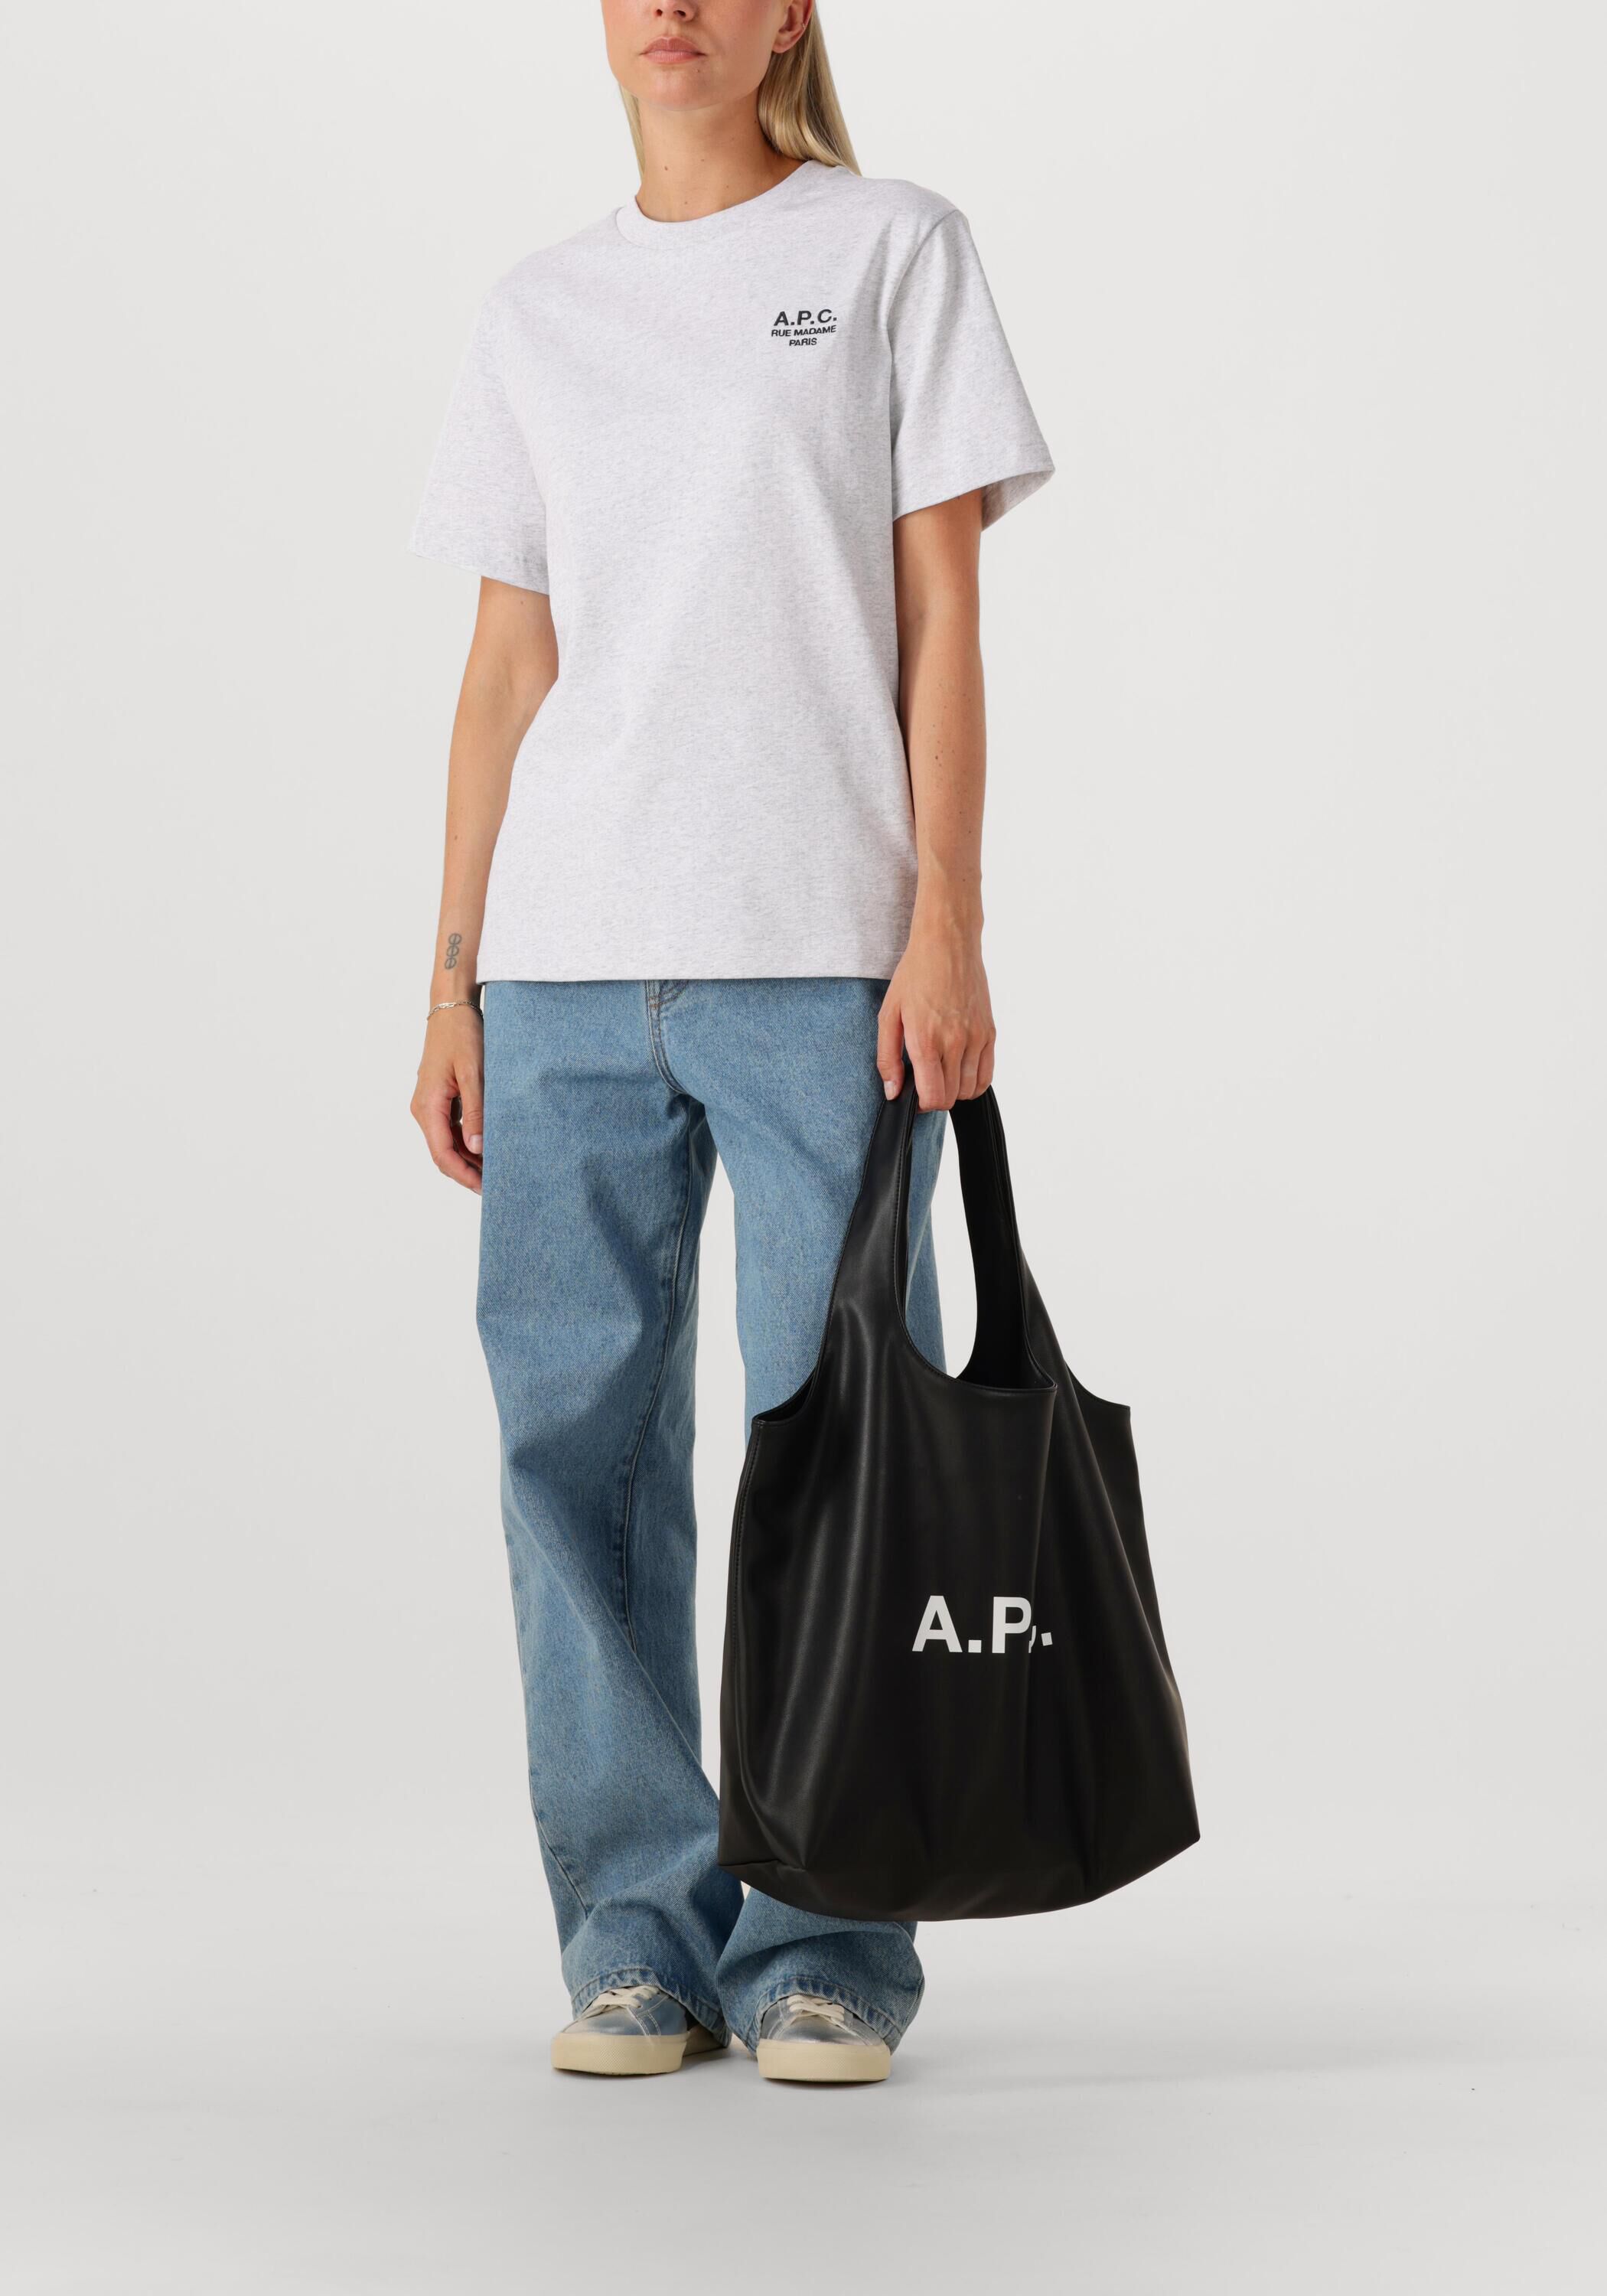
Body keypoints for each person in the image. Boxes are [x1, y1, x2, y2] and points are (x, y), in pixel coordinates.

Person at [409, 0, 1051, 2086]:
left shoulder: (891, 249)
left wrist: (944, 920)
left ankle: (827, 1938)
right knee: (571, 1454)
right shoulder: (537, 309)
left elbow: (941, 614)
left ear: (790, 13)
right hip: (563, 964)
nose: (671, 5)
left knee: (837, 1445)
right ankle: (635, 1934)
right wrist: (449, 978)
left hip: (818, 959)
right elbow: (506, 664)